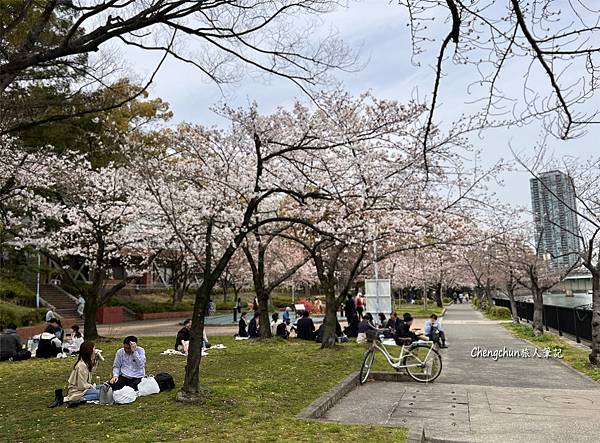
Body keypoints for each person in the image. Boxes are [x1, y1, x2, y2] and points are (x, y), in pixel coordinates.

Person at [49, 341, 101, 408]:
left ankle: (80, 399)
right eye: (94, 348)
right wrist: (91, 387)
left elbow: (91, 372)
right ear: (89, 351)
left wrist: (96, 360)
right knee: (101, 393)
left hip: (84, 388)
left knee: (103, 387)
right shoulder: (81, 366)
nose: (95, 350)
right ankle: (79, 399)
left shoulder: (86, 362)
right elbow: (81, 386)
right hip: (78, 391)